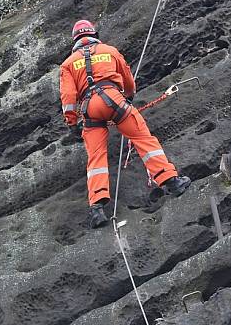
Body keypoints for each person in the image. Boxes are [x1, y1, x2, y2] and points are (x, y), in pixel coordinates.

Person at [60, 19, 191, 228]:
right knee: (143, 139)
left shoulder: (68, 64)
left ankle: (97, 209)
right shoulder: (110, 51)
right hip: (115, 101)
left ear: (75, 40)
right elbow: (128, 79)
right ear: (94, 34)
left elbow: (68, 96)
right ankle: (171, 182)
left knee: (96, 158)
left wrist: (71, 122)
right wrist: (128, 97)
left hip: (90, 110)